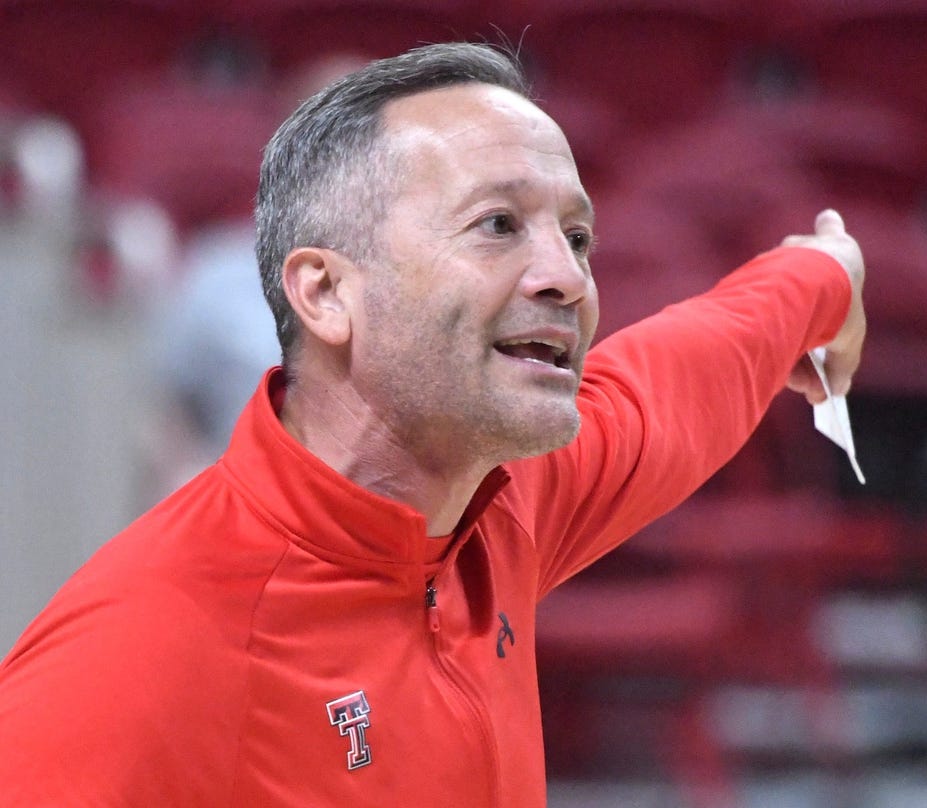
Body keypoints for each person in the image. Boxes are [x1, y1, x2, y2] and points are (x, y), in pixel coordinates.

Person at [0, 42, 865, 806]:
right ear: (329, 293)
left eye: (577, 236)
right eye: (498, 225)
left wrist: (825, 276)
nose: (567, 277)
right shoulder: (151, 647)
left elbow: (685, 372)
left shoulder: (494, 505)